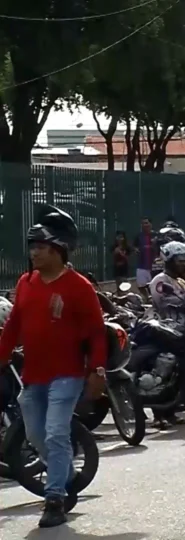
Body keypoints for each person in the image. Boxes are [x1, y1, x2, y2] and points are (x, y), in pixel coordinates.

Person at [0, 205, 106, 528]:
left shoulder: (79, 288)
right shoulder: (26, 283)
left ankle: (55, 498)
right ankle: (68, 475)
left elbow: (96, 333)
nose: (34, 253)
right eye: (32, 247)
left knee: (57, 431)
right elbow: (14, 325)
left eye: (41, 247)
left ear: (59, 250)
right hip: (33, 376)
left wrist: (97, 370)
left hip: (68, 374)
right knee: (34, 434)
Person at [134, 217, 156, 295]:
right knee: (141, 285)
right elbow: (135, 247)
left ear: (151, 224)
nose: (145, 225)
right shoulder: (139, 236)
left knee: (154, 285)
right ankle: (147, 298)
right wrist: (136, 250)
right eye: (143, 223)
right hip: (141, 265)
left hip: (154, 266)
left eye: (146, 223)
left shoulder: (156, 235)